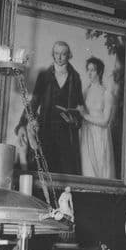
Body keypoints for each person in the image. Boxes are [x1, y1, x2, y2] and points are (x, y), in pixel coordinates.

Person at [22, 41, 84, 175]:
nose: (59, 57)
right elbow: (35, 101)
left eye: (63, 54)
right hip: (46, 129)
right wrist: (24, 123)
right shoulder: (44, 75)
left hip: (66, 133)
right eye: (56, 53)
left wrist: (74, 120)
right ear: (53, 55)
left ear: (69, 55)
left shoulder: (75, 77)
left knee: (66, 170)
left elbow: (80, 106)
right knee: (46, 167)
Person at [78, 56, 115, 179]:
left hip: (100, 134)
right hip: (86, 134)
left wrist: (85, 115)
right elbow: (80, 114)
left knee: (101, 168)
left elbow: (105, 121)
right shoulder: (85, 92)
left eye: (93, 70)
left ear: (99, 72)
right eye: (88, 70)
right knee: (87, 169)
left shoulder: (106, 93)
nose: (89, 73)